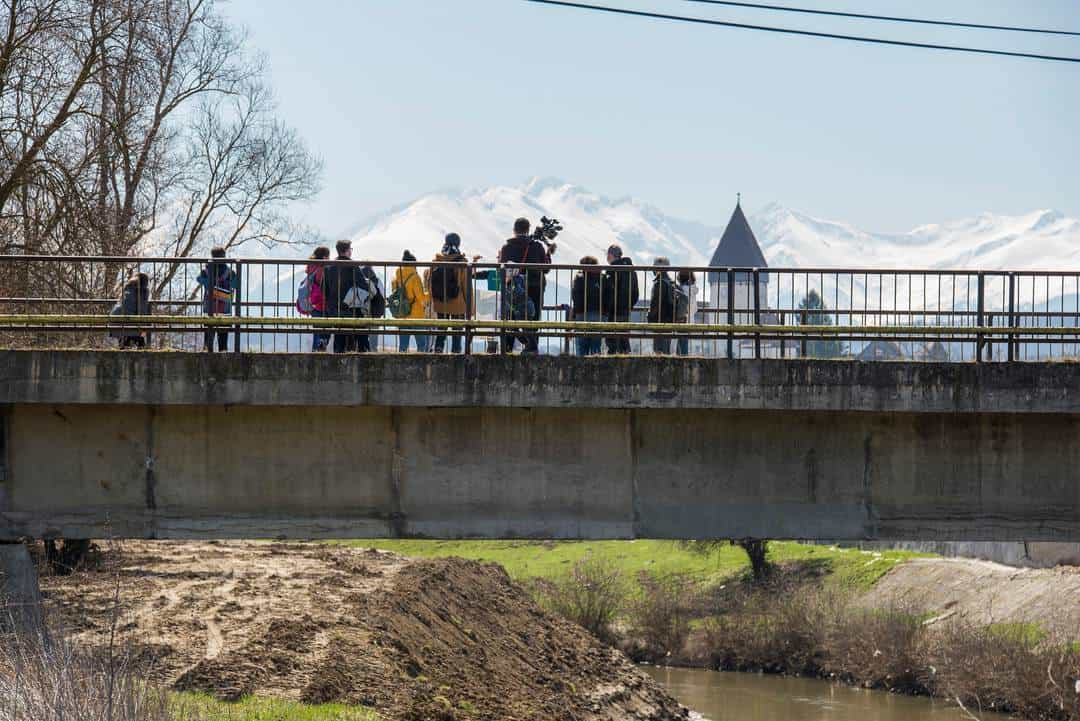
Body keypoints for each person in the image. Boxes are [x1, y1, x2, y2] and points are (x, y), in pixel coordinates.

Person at [498, 217, 550, 354]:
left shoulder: (507, 247)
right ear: (528, 230)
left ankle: (507, 348)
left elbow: (502, 269)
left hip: (513, 288)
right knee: (533, 318)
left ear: (514, 230)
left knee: (510, 317)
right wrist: (549, 253)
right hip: (535, 288)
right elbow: (546, 268)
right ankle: (532, 348)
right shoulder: (537, 246)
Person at [321, 239, 370, 353]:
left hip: (334, 310)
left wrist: (331, 302)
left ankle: (338, 361)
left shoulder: (329, 267)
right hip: (351, 309)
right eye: (350, 249)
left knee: (339, 335)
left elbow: (323, 289)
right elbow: (363, 286)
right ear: (347, 251)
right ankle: (363, 355)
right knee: (361, 332)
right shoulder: (352, 266)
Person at [426, 233, 470, 353]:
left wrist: (433, 300)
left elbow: (430, 282)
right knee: (457, 331)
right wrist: (469, 306)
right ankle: (456, 353)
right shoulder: (461, 262)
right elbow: (465, 286)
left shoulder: (436, 260)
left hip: (440, 303)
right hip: (458, 304)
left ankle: (438, 350)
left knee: (441, 329)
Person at [197, 247, 237, 352]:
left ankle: (206, 354)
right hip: (225, 309)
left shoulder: (205, 271)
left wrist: (210, 284)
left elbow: (199, 279)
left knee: (208, 335)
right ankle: (223, 357)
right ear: (224, 256)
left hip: (209, 307)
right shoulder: (230, 272)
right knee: (223, 339)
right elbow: (236, 284)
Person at [604, 244, 639, 355]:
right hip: (626, 310)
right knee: (624, 336)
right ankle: (626, 360)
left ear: (610, 255)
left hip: (613, 310)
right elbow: (636, 293)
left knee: (612, 338)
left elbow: (608, 291)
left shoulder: (612, 269)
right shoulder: (632, 270)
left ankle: (612, 364)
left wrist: (607, 307)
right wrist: (629, 305)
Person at [571, 256, 610, 356]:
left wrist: (577, 312)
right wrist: (605, 313)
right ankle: (596, 370)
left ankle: (580, 370)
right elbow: (609, 298)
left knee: (581, 348)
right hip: (600, 316)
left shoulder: (579, 278)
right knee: (596, 348)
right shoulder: (604, 278)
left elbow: (576, 298)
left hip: (582, 316)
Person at [392, 250, 430, 352]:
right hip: (416, 316)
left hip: (402, 315)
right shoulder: (415, 278)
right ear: (414, 264)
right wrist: (430, 294)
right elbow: (421, 299)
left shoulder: (395, 278)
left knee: (403, 346)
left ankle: (400, 366)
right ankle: (421, 365)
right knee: (422, 344)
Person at [110, 272, 150, 348]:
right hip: (127, 321)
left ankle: (124, 346)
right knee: (140, 339)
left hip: (114, 320)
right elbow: (142, 310)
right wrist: (144, 329)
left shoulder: (128, 286)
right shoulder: (143, 290)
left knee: (127, 339)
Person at [647, 257, 677, 355]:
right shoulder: (671, 282)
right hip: (669, 321)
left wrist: (650, 317)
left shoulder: (659, 283)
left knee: (658, 351)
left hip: (659, 321)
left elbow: (655, 303)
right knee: (666, 350)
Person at [304, 246, 331, 351]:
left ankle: (315, 352)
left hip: (313, 303)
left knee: (317, 330)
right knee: (326, 329)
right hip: (323, 303)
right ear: (324, 257)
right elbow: (323, 286)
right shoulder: (322, 268)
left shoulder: (311, 267)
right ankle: (321, 348)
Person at [361, 262, 386, 351]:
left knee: (361, 337)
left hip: (362, 313)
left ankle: (362, 353)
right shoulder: (377, 280)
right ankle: (373, 354)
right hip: (375, 313)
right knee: (373, 339)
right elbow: (383, 296)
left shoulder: (359, 281)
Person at [675, 270, 698, 356]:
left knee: (682, 341)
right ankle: (680, 358)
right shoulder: (693, 289)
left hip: (682, 318)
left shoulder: (681, 290)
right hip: (690, 318)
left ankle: (682, 360)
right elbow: (695, 308)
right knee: (683, 341)